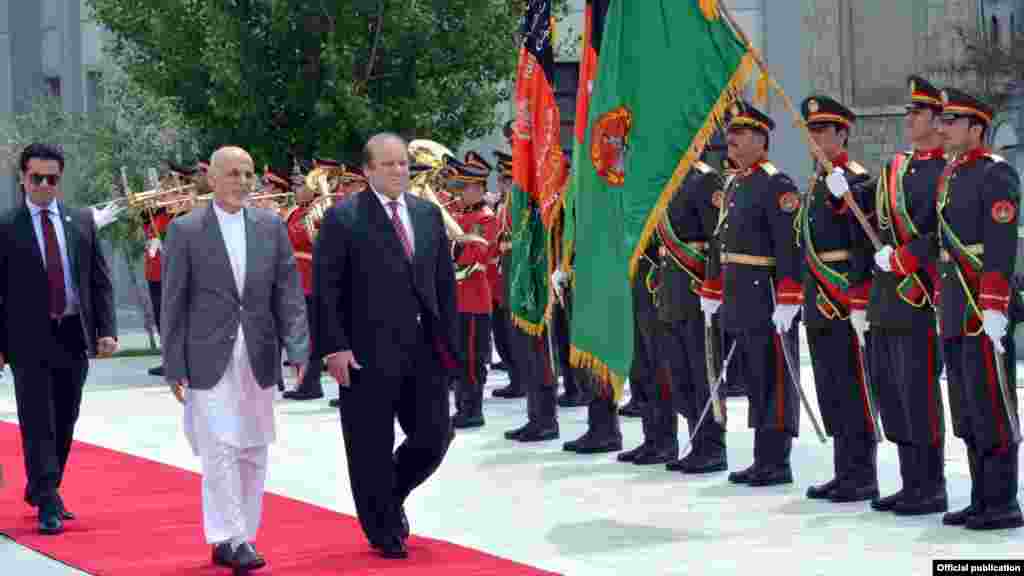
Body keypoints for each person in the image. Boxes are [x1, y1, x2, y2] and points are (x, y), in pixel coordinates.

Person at [162, 146, 310, 571]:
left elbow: (289, 294)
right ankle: (237, 538)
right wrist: (173, 362)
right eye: (233, 173)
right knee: (220, 446)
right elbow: (173, 303)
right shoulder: (186, 230)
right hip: (207, 354)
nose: (243, 182)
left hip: (259, 353)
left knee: (253, 447)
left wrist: (298, 348)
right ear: (212, 178)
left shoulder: (270, 226)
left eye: (248, 174)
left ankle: (234, 534)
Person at [314, 132, 458, 559]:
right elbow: (326, 289)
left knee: (434, 435)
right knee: (369, 445)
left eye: (403, 164)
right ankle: (382, 530)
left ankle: (387, 495)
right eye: (389, 164)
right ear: (368, 170)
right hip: (365, 352)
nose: (400, 171)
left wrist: (451, 344)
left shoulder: (428, 215)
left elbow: (444, 285)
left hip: (423, 348)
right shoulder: (344, 218)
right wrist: (334, 347)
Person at [0, 143, 118, 535]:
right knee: (37, 420)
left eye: (52, 179)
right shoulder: (7, 226)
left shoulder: (81, 221)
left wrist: (107, 330)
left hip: (72, 334)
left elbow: (99, 280)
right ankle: (48, 498)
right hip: (26, 338)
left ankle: (45, 487)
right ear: (22, 178)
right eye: (37, 178)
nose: (44, 185)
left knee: (66, 416)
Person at [933, 88, 1022, 530]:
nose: (944, 128)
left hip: (981, 309)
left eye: (953, 121)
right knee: (967, 409)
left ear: (977, 128)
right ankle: (980, 497)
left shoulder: (996, 174)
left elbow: (1002, 245)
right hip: (954, 307)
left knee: (992, 406)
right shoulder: (951, 174)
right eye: (943, 121)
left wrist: (993, 304)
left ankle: (1003, 501)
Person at [701, 101, 803, 487]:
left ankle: (777, 461)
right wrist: (713, 286)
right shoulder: (736, 182)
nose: (731, 143)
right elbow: (720, 241)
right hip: (739, 295)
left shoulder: (776, 183)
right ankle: (763, 457)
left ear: (761, 139)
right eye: (730, 136)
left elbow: (788, 246)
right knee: (754, 379)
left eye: (739, 135)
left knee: (774, 377)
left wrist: (790, 297)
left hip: (767, 296)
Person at [864, 75, 949, 516]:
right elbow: (871, 220)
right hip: (884, 300)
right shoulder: (892, 168)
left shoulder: (944, 171)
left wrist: (903, 259)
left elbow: (944, 232)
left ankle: (930, 485)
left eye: (918, 112)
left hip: (918, 298)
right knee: (891, 392)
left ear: (938, 120)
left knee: (918, 394)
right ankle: (909, 480)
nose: (910, 119)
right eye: (909, 112)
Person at [798, 95, 881, 503]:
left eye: (822, 131)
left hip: (843, 294)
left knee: (852, 386)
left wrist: (860, 299)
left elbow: (865, 241)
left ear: (842, 134)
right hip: (818, 296)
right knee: (830, 386)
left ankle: (862, 473)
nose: (814, 139)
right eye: (810, 131)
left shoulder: (856, 178)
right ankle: (843, 469)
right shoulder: (815, 180)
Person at [656, 153, 727, 474]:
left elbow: (718, 240)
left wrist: (713, 286)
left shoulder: (705, 179)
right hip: (671, 290)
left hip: (697, 291)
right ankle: (695, 441)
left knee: (704, 371)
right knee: (681, 373)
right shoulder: (665, 181)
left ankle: (712, 447)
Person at [447, 155, 499, 429]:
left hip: (475, 299)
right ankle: (462, 406)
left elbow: (476, 253)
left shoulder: (485, 218)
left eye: (464, 188)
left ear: (478, 189)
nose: (460, 194)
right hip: (458, 298)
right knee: (459, 356)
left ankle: (473, 409)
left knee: (471, 358)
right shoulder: (460, 216)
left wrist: (454, 246)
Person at [277, 165, 326, 401]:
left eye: (300, 185)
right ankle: (303, 382)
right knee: (299, 335)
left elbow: (316, 243)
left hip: (311, 280)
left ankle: (311, 383)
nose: (295, 190)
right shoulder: (295, 212)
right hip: (294, 279)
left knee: (310, 336)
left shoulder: (319, 210)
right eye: (295, 185)